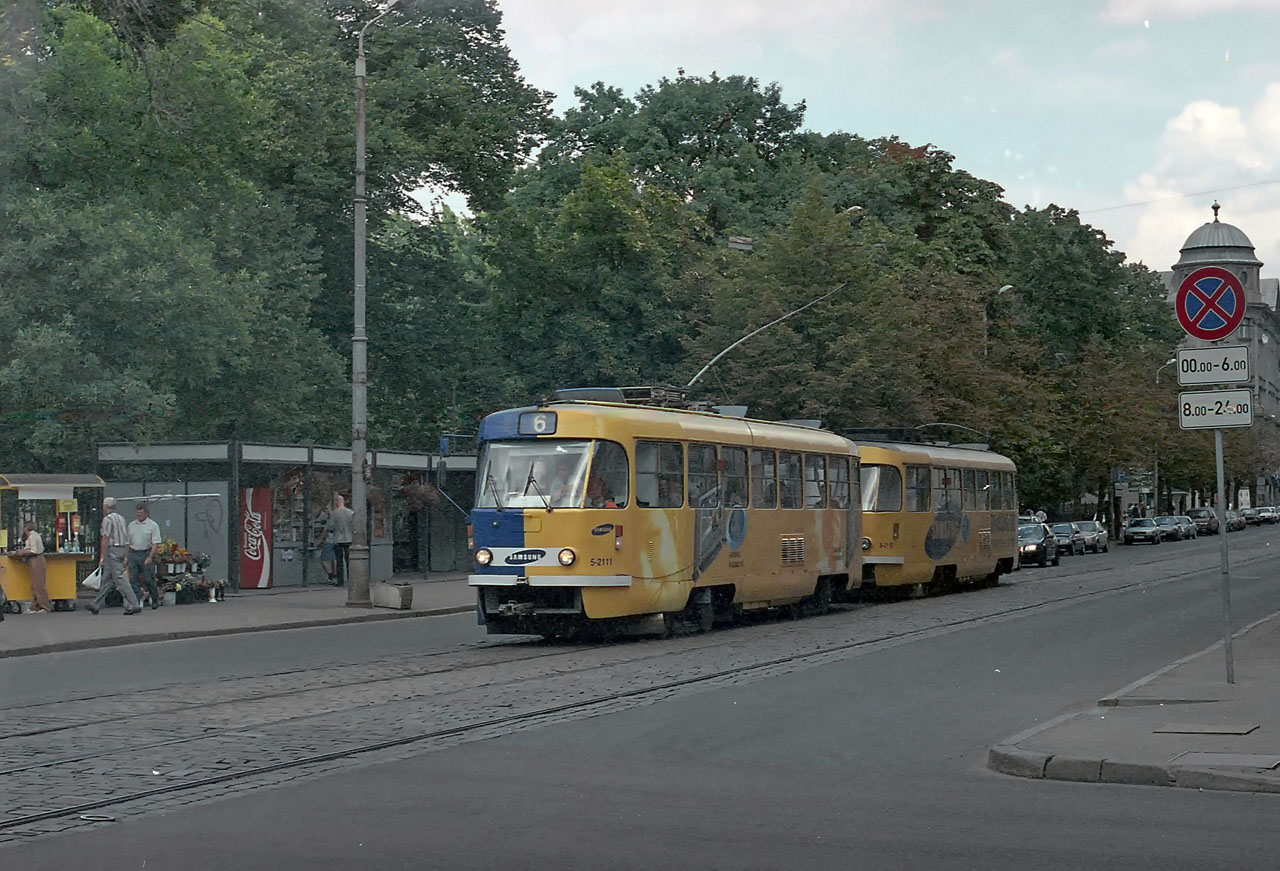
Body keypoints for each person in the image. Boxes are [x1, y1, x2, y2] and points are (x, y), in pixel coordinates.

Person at [87, 497, 142, 616]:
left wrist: (102, 556)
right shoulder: (121, 518)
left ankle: (134, 604)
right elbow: (127, 538)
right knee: (107, 578)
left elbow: (105, 538)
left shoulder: (107, 520)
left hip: (113, 551)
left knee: (120, 578)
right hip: (122, 549)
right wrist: (126, 555)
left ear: (106, 507)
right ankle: (95, 604)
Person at [127, 504, 163, 609]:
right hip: (133, 553)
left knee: (148, 578)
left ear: (146, 513)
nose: (139, 515)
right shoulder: (131, 525)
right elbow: (127, 543)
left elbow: (155, 543)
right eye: (137, 513)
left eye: (141, 513)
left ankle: (155, 599)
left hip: (145, 553)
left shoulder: (153, 525)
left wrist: (150, 557)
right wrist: (126, 556)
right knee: (133, 579)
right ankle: (136, 602)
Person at [13, 521, 50, 613]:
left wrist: (20, 552)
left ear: (26, 528)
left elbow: (34, 551)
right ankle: (35, 606)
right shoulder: (34, 535)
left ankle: (44, 607)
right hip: (36, 560)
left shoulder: (32, 536)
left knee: (38, 584)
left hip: (36, 560)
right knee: (35, 585)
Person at [323, 495, 354, 586]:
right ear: (343, 501)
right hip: (349, 539)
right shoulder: (351, 513)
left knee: (339, 561)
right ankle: (350, 579)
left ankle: (340, 581)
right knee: (349, 560)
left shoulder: (334, 514)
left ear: (336, 502)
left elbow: (329, 527)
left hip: (338, 540)